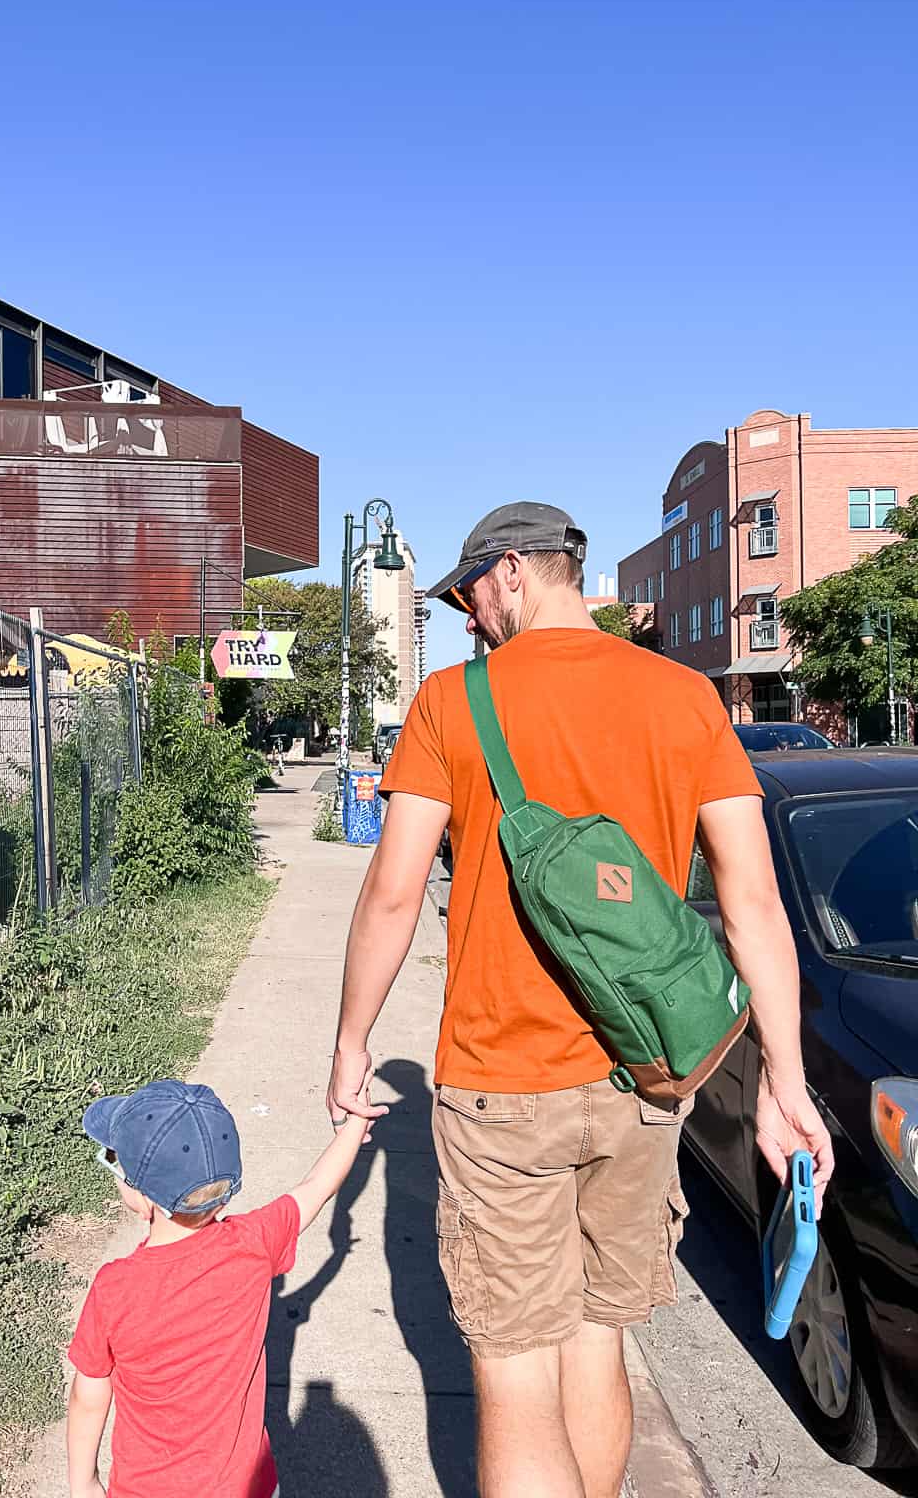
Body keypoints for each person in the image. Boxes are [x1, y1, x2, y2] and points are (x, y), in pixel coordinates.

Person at [325, 501, 834, 1498]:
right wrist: (785, 1077)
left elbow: (391, 889)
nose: (468, 619)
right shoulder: (686, 697)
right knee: (599, 1343)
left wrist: (352, 1042)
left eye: (469, 594)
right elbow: (754, 898)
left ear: (513, 571)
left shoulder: (449, 703)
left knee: (515, 1375)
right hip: (646, 1081)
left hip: (498, 1087)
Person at [65, 1075, 373, 1498]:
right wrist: (354, 1124)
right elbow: (315, 1188)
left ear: (141, 1196)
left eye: (114, 1160)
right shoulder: (254, 1245)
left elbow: (89, 1394)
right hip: (247, 1486)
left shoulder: (115, 1288)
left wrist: (84, 1483)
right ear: (223, 1194)